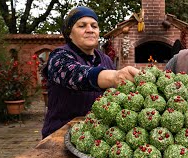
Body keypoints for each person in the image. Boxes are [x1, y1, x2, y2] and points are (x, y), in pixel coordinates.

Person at [41, 6, 139, 138]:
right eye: (82, 26)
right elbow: (75, 74)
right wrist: (115, 77)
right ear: (69, 33)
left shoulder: (106, 60)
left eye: (94, 26)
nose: (90, 30)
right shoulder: (59, 56)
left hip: (95, 136)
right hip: (60, 134)